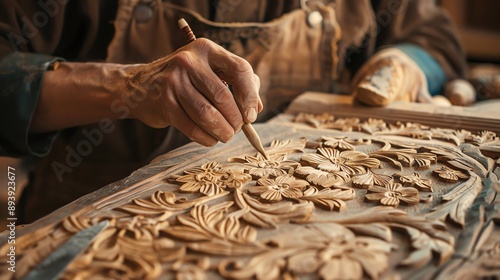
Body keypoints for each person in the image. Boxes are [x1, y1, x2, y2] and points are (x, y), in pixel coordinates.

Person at [0, 0, 467, 223]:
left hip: (304, 221)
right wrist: (127, 86)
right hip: (97, 217)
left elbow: (431, 34)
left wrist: (403, 63)